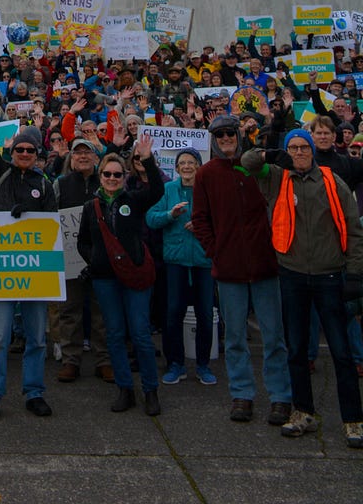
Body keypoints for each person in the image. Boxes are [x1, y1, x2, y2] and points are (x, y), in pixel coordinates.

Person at [242, 128, 363, 447]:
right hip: (293, 275)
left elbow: (353, 229)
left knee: (341, 352)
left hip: (330, 276)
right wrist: (272, 153)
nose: (298, 152)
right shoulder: (277, 179)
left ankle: (353, 419)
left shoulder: (332, 180)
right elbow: (247, 161)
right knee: (296, 348)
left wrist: (354, 274)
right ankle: (303, 412)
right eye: (292, 148)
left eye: (303, 147)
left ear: (312, 150)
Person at [191, 114, 292, 425]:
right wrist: (215, 251)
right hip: (229, 267)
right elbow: (201, 219)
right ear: (213, 139)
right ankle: (242, 394)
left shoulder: (257, 168)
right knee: (234, 338)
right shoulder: (205, 174)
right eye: (219, 134)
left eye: (230, 133)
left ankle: (280, 396)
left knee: (274, 336)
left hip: (265, 263)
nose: (225, 139)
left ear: (239, 134)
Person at [0, 104, 57, 423]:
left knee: (36, 337)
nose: (24, 153)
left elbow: (52, 229)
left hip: (35, 271)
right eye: (19, 148)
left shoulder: (45, 185)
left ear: (37, 154)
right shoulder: (1, 173)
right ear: (13, 151)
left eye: (30, 149)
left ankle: (34, 392)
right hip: (1, 270)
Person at [77, 136, 164, 415]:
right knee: (114, 334)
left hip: (135, 274)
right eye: (107, 174)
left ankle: (150, 390)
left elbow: (157, 191)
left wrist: (147, 160)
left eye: (117, 174)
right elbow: (82, 242)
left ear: (124, 176)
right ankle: (125, 389)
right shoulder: (91, 207)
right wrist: (96, 260)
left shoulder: (134, 200)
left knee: (139, 333)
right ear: (100, 176)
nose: (112, 178)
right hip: (105, 278)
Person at [146, 150, 216, 385]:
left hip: (203, 260)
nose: (187, 167)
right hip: (175, 260)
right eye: (182, 163)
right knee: (173, 312)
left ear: (199, 166)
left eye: (191, 162)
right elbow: (151, 218)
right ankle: (175, 364)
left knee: (205, 314)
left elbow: (221, 220)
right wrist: (170, 214)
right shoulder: (168, 190)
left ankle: (203, 364)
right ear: (176, 169)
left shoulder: (208, 189)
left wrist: (201, 225)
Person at [51, 139, 112, 384]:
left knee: (101, 312)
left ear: (97, 158)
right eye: (78, 153)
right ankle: (71, 361)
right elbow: (50, 214)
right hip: (71, 258)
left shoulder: (106, 180)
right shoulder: (61, 184)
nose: (83, 156)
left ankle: (104, 361)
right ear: (71, 158)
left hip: (101, 258)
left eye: (88, 152)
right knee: (70, 312)